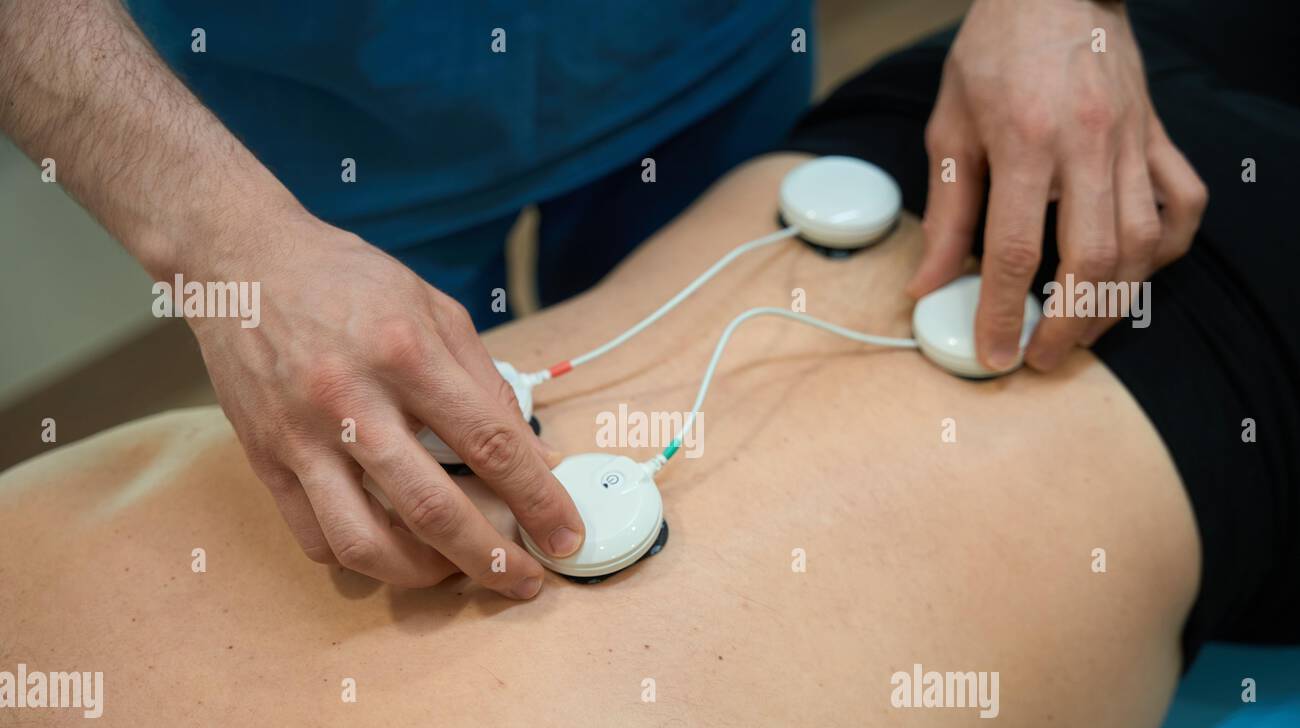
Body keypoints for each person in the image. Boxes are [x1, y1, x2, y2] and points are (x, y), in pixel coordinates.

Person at [0, 1, 1205, 596]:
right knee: (409, 480)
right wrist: (223, 240)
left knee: (704, 364)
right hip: (305, 134)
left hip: (695, 44)